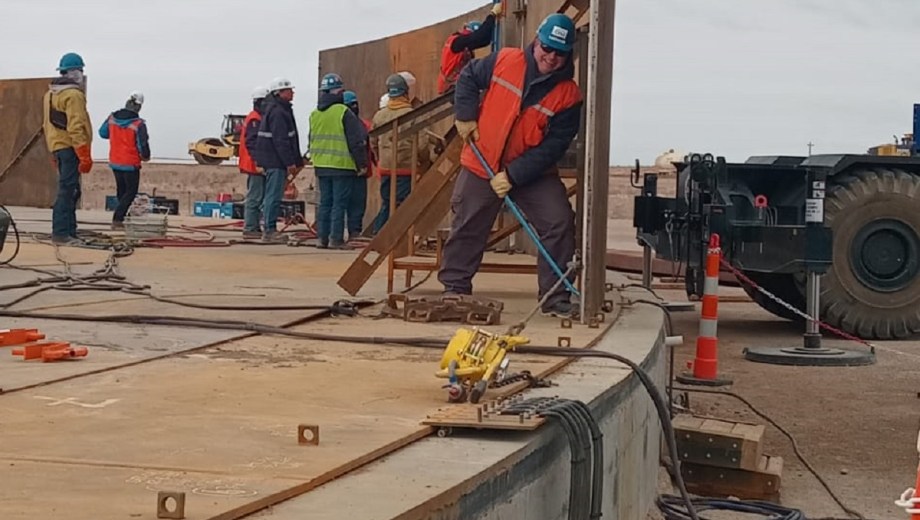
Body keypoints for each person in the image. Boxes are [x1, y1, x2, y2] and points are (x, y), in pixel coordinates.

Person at [438, 13, 583, 318]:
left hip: (531, 172)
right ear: (537, 42)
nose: (551, 57)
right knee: (467, 223)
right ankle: (454, 289)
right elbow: (468, 77)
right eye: (547, 48)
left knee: (558, 222)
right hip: (483, 162)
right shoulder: (505, 60)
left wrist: (514, 175)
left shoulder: (569, 95)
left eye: (559, 53)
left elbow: (554, 146)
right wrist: (465, 115)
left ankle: (555, 297)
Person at [308, 73, 368, 249]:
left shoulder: (314, 114)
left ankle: (322, 239)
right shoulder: (344, 112)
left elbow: (311, 139)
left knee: (325, 203)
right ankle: (336, 239)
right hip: (342, 166)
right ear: (337, 92)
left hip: (321, 166)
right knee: (339, 204)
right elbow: (356, 142)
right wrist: (361, 164)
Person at [42, 52, 93, 245]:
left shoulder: (49, 95)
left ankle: (70, 231)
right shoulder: (74, 95)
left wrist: (53, 150)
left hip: (59, 147)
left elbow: (47, 125)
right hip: (71, 148)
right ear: (74, 72)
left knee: (71, 190)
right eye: (80, 70)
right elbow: (75, 126)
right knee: (67, 191)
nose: (81, 74)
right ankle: (62, 233)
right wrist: (83, 153)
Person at [371, 74, 431, 233]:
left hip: (385, 168)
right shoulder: (413, 115)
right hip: (405, 168)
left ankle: (379, 233)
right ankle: (386, 237)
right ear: (406, 93)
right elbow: (422, 144)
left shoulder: (379, 115)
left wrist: (380, 159)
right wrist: (425, 162)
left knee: (387, 202)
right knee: (401, 206)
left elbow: (373, 142)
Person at [254, 77, 303, 243]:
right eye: (289, 90)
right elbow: (281, 140)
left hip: (273, 160)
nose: (293, 92)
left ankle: (269, 229)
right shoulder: (278, 112)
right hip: (276, 161)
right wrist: (290, 162)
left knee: (272, 195)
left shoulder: (277, 109)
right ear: (280, 92)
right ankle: (269, 231)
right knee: (273, 196)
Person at [98, 91, 150, 230]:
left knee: (121, 190)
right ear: (138, 107)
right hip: (130, 163)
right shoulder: (138, 124)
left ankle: (123, 217)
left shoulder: (112, 118)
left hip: (115, 161)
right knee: (131, 191)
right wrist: (145, 156)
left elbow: (103, 133)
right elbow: (142, 144)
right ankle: (118, 218)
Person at [437, 3, 503, 94]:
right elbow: (481, 37)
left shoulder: (459, 44)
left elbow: (484, 39)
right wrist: (492, 15)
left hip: (451, 85)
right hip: (450, 87)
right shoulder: (458, 42)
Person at [342, 90, 374, 243]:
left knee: (355, 204)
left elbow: (370, 147)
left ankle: (352, 232)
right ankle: (350, 232)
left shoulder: (364, 125)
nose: (354, 107)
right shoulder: (360, 125)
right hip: (349, 169)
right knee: (350, 203)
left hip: (354, 170)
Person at [239, 86, 269, 239]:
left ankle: (253, 226)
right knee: (255, 197)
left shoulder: (255, 117)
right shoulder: (255, 119)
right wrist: (258, 161)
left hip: (254, 164)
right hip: (254, 165)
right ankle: (250, 227)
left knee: (257, 196)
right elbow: (252, 143)